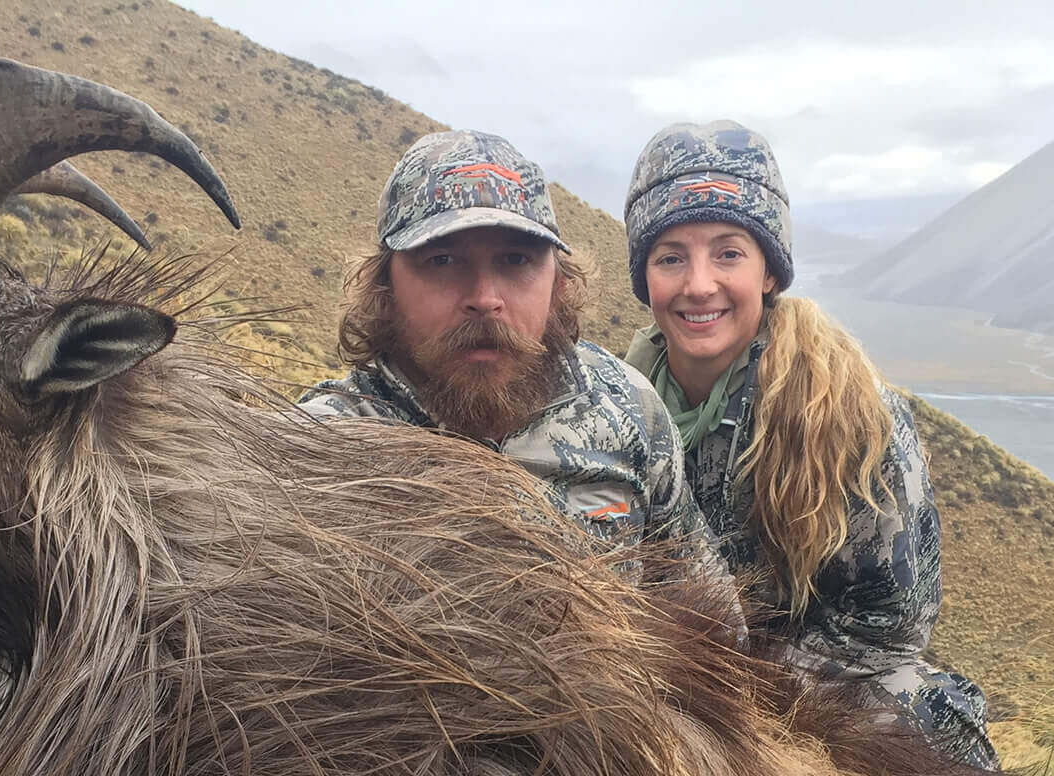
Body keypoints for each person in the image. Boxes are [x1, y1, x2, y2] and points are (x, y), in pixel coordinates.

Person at [622, 121, 997, 769]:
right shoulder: (614, 407)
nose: (699, 283)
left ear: (770, 272)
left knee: (923, 749)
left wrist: (745, 690)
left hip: (815, 681)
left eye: (729, 253)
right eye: (671, 256)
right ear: (646, 276)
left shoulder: (850, 408)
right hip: (669, 670)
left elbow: (891, 621)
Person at [302, 129, 743, 639]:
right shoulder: (321, 447)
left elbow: (714, 627)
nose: (484, 297)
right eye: (442, 260)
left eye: (516, 261)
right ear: (386, 285)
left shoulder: (627, 409)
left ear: (558, 280)